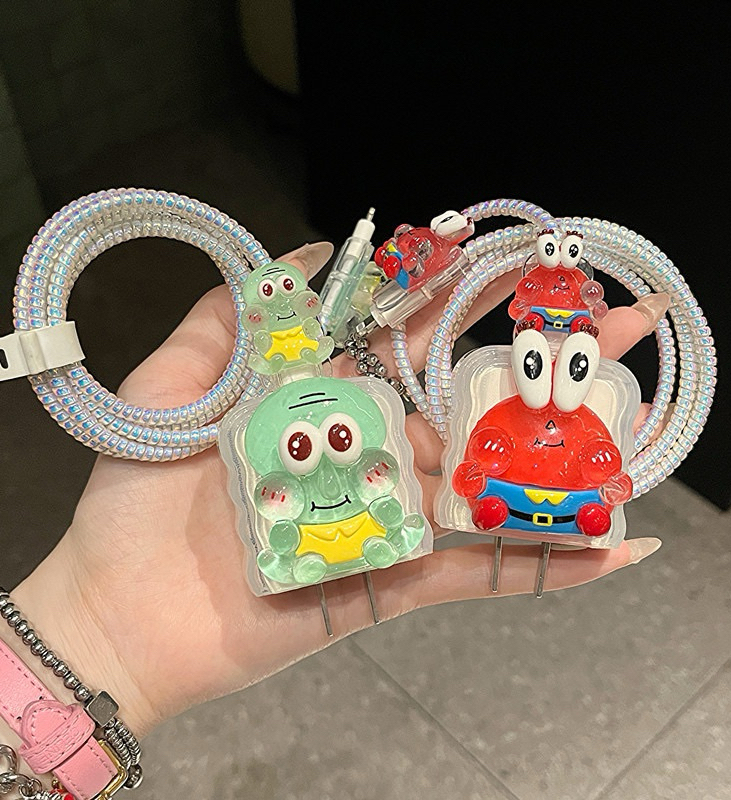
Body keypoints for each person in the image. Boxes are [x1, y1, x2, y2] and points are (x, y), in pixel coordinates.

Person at [0, 241, 663, 744]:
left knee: (418, 508)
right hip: (316, 531)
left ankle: (403, 526)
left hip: (398, 514)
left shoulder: (549, 402)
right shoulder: (265, 432)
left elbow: (589, 453)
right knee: (347, 520)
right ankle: (323, 545)